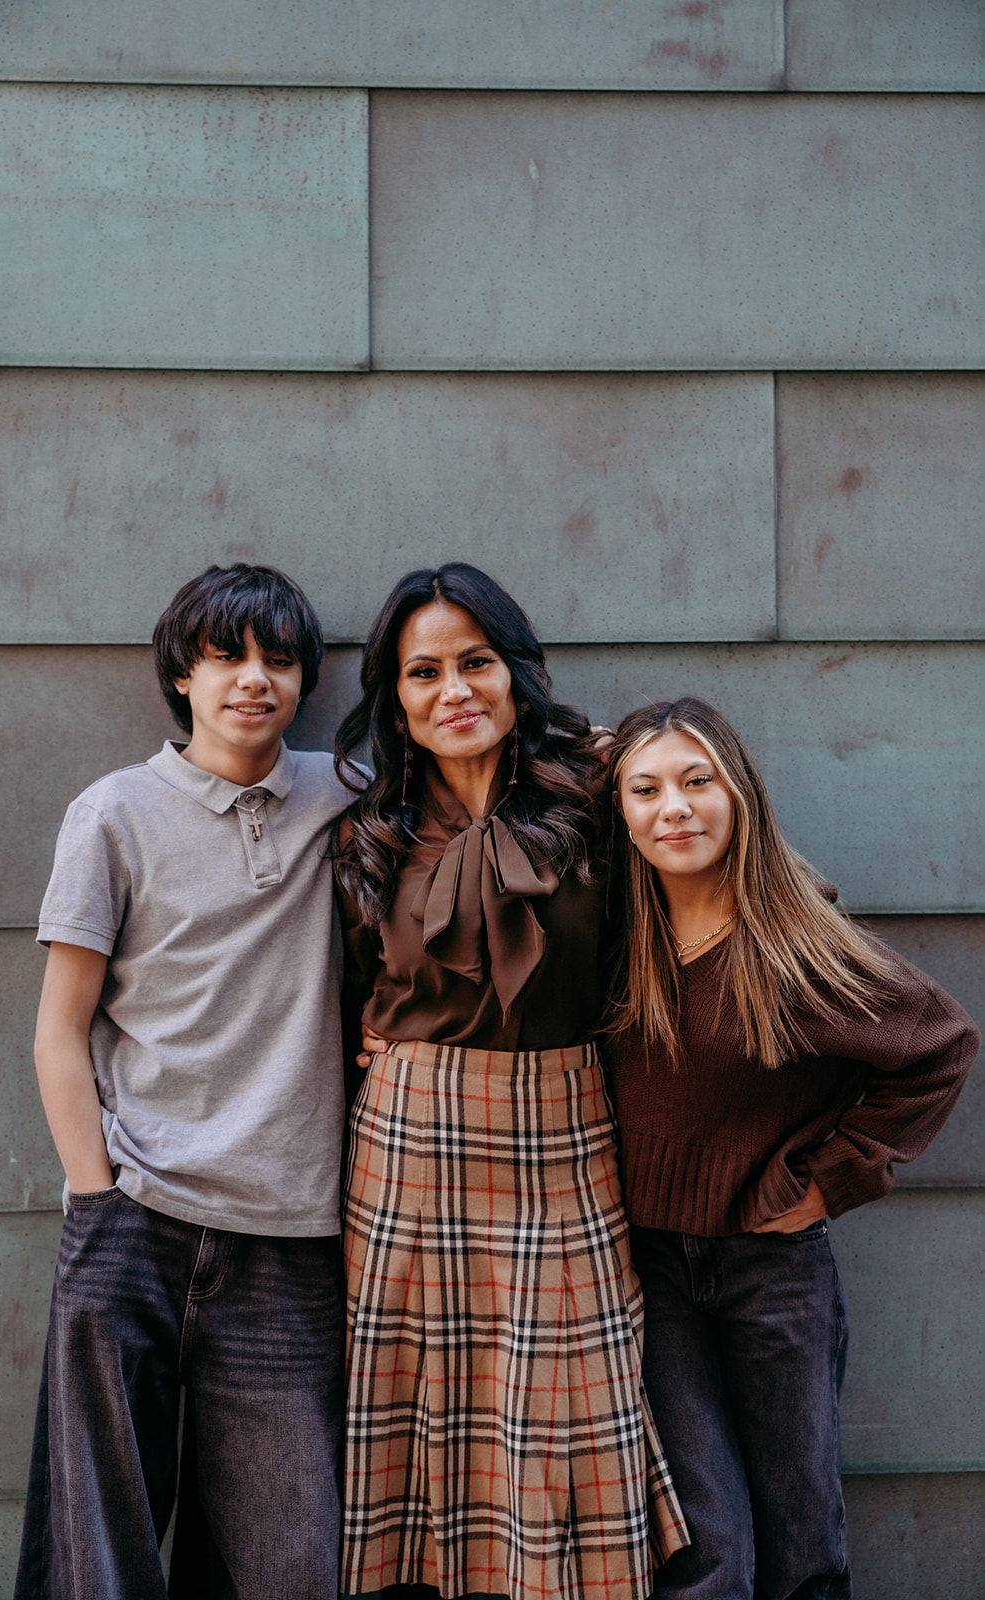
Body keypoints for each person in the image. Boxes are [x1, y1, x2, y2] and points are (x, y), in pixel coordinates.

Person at [332, 562, 688, 1600]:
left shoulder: (597, 796)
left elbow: (709, 895)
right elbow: (349, 990)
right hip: (402, 1156)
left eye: (475, 662)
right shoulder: (369, 833)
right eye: (424, 671)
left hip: (564, 1141)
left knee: (572, 1419)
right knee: (419, 1421)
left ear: (515, 670)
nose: (454, 690)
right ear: (394, 697)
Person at [14, 564, 352, 1600]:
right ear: (182, 672)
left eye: (279, 658)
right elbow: (58, 1030)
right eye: (227, 655)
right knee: (98, 1554)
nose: (255, 678)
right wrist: (98, 1195)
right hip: (136, 1222)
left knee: (291, 1562)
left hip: (290, 1243)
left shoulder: (349, 798)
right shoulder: (113, 812)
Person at [604, 695, 979, 1600]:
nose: (675, 808)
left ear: (739, 794)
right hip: (644, 1267)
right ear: (617, 811)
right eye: (644, 789)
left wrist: (837, 1177)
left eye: (699, 781)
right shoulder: (617, 939)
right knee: (705, 1544)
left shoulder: (794, 946)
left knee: (801, 1534)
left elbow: (940, 1044)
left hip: (772, 1269)